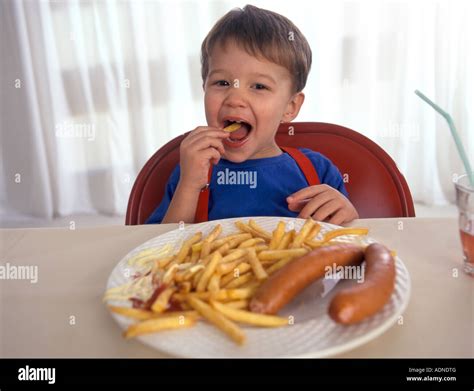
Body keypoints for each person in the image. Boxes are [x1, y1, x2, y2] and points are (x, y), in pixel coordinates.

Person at [146, 4, 358, 225]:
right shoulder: (191, 169)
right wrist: (188, 185)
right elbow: (159, 249)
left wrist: (347, 213)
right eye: (222, 82)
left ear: (291, 106)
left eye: (258, 86)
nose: (235, 99)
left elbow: (346, 242)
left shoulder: (317, 171)